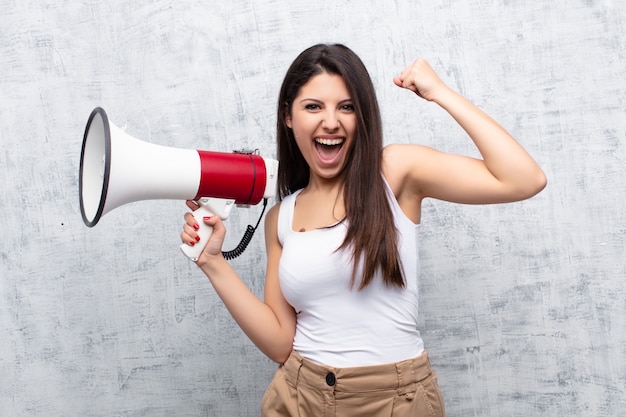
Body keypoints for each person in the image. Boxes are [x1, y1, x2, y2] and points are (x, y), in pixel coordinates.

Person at [181, 43, 546, 417]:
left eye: (347, 106)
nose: (331, 122)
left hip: (395, 400)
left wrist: (440, 93)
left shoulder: (394, 172)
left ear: (363, 115)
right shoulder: (280, 218)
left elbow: (524, 179)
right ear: (288, 116)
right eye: (313, 106)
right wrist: (214, 263)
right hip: (299, 396)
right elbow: (279, 344)